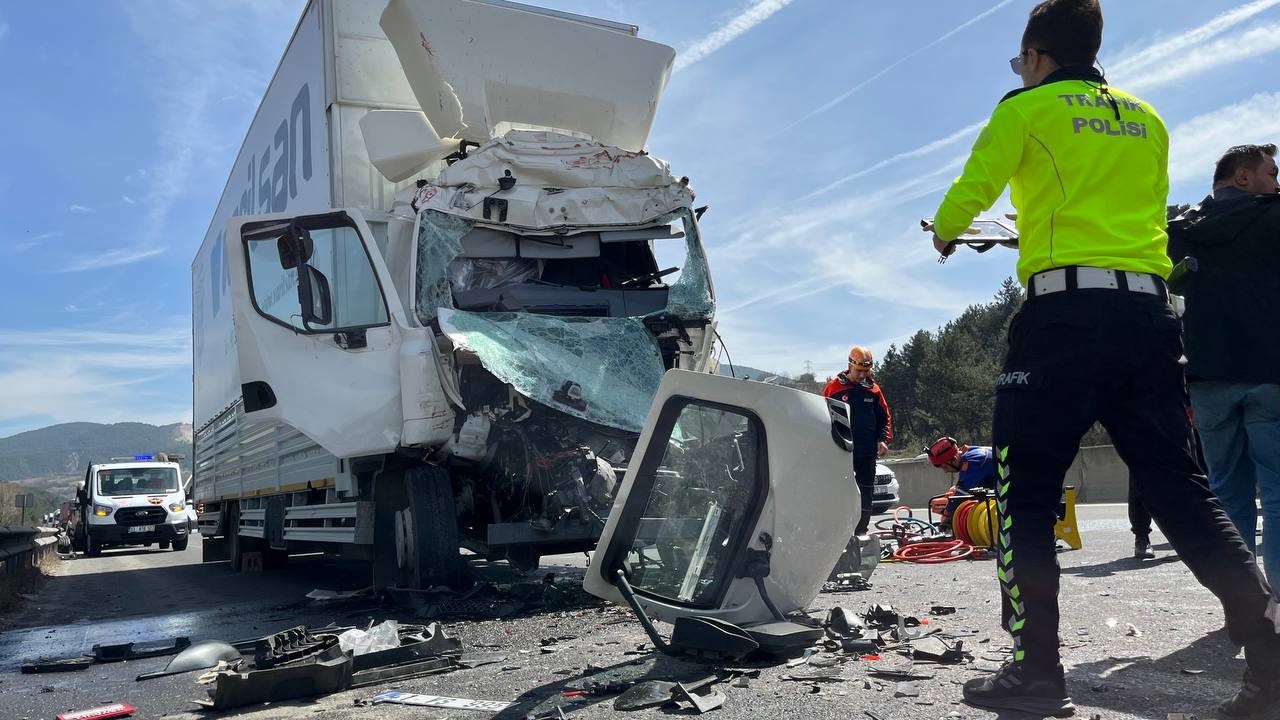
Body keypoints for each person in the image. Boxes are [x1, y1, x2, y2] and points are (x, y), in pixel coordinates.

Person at [925, 1, 1280, 716]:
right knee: (1183, 488)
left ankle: (1036, 671)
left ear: (1034, 56)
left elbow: (973, 189)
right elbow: (1142, 217)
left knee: (1023, 492)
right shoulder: (1146, 119)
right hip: (1149, 318)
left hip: (1062, 317)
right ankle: (1270, 661)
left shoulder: (1024, 108)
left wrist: (946, 231)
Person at [1167, 143, 1280, 591]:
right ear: (1243, 177)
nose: (1277, 182)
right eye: (1271, 173)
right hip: (1270, 372)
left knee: (1227, 492)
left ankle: (1241, 599)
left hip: (1206, 376)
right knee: (1276, 492)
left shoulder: (1182, 229)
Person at [823, 346, 892, 535]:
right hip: (840, 450)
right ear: (849, 366)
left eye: (866, 371)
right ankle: (838, 533)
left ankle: (861, 531)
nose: (862, 375)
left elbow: (884, 417)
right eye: (859, 371)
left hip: (866, 451)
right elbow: (821, 417)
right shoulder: (833, 387)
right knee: (840, 492)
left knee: (866, 491)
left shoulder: (874, 390)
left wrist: (883, 440)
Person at [926, 436, 996, 531]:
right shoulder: (969, 453)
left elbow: (961, 494)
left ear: (954, 459)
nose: (946, 472)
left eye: (945, 467)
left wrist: (946, 516)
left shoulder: (974, 461)